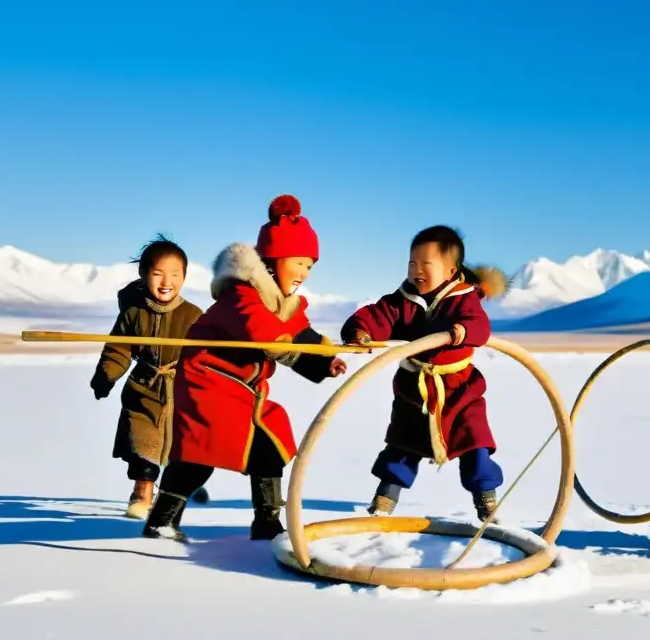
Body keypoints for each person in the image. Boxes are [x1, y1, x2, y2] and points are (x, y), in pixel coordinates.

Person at [141, 195, 347, 541]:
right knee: (214, 452)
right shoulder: (242, 293)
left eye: (310, 266)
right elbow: (264, 335)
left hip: (238, 389)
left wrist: (327, 360)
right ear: (274, 259)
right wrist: (302, 352)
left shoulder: (280, 300)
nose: (304, 273)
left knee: (248, 449)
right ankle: (252, 525)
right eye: (299, 263)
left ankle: (257, 524)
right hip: (208, 382)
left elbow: (300, 332)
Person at [341, 225, 509, 522]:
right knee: (401, 446)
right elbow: (378, 315)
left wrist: (461, 331)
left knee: (475, 442)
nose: (416, 270)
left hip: (460, 389)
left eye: (426, 264)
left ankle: (486, 504)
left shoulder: (464, 298)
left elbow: (479, 325)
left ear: (450, 270)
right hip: (413, 389)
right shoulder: (403, 299)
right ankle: (383, 502)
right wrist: (360, 330)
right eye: (412, 263)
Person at [90, 235, 207, 519]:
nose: (166, 281)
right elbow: (118, 348)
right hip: (144, 388)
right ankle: (141, 494)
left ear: (185, 277)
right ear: (143, 275)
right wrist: (106, 375)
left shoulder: (193, 315)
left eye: (175, 275)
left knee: (180, 446)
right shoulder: (132, 313)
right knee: (143, 442)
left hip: (181, 391)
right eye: (158, 274)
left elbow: (207, 355)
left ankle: (182, 486)